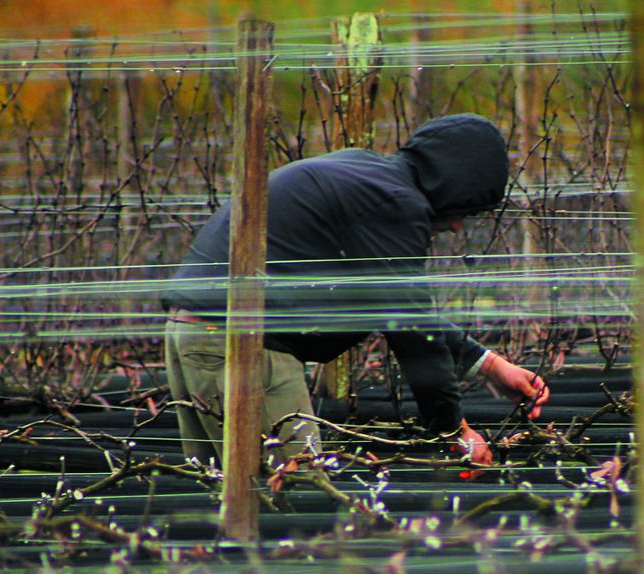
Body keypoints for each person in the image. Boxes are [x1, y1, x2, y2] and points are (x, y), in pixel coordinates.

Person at [161, 113, 548, 473]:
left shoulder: (367, 177)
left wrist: (491, 366)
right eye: (468, 209)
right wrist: (452, 432)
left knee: (225, 495)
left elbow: (403, 309)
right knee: (292, 498)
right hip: (243, 346)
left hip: (193, 333)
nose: (458, 227)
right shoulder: (395, 204)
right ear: (455, 186)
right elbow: (412, 331)